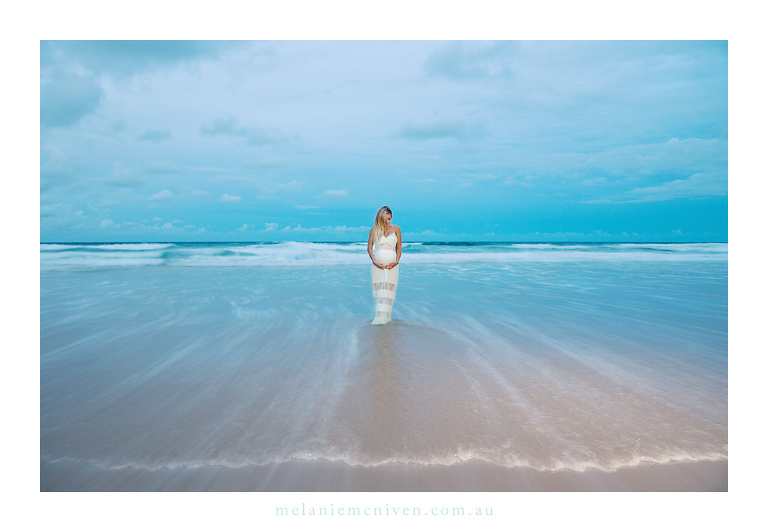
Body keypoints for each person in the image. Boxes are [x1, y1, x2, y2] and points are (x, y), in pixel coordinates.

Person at [368, 206, 401, 325]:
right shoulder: (374, 229)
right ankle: (379, 317)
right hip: (378, 267)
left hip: (392, 267)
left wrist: (397, 260)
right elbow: (369, 248)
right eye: (385, 219)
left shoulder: (396, 229)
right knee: (378, 292)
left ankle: (387, 318)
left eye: (389, 219)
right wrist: (375, 261)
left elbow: (399, 247)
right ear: (379, 218)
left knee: (389, 292)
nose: (387, 222)